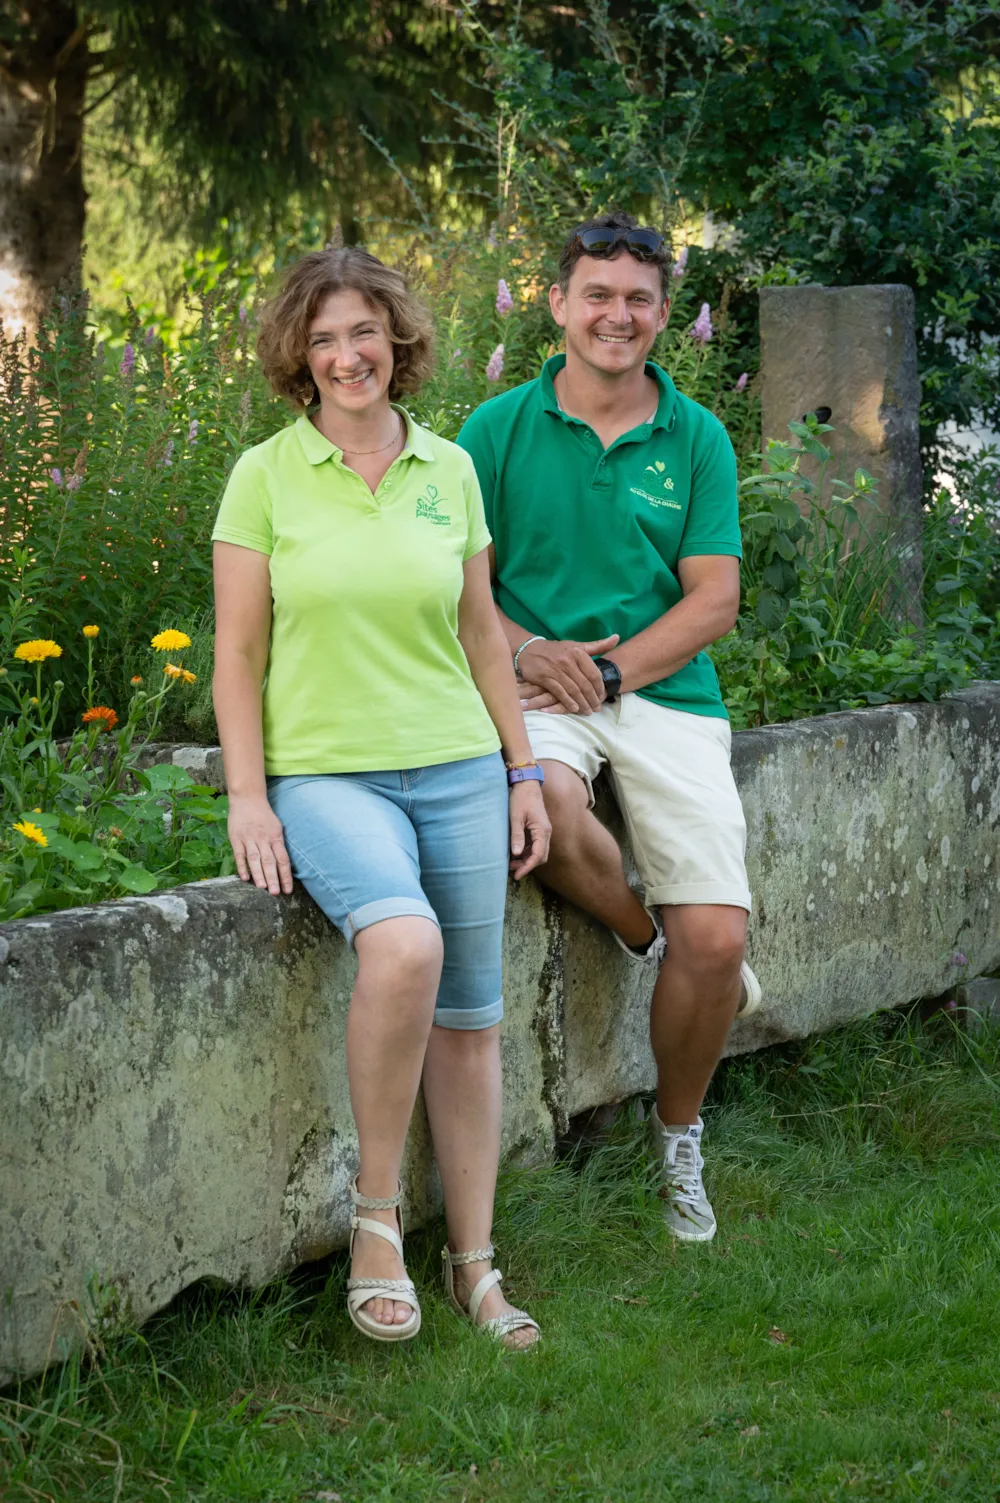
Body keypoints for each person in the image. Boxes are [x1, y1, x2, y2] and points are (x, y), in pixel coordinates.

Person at [212, 246, 550, 1347]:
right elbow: (237, 653)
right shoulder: (265, 474)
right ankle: (373, 1222)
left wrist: (522, 769)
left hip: (456, 764)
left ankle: (475, 1266)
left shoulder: (448, 468)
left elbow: (481, 635)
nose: (347, 355)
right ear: (296, 360)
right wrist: (250, 800)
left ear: (395, 341)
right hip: (327, 773)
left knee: (471, 1021)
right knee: (404, 949)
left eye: (363, 333)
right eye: (322, 339)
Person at [458, 211, 761, 1243]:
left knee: (718, 940)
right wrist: (523, 648)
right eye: (596, 295)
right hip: (539, 692)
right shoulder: (493, 430)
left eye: (637, 298)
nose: (615, 316)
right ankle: (643, 936)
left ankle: (678, 1140)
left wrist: (609, 666)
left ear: (665, 314)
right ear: (557, 305)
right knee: (535, 806)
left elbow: (711, 600)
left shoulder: (697, 435)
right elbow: (456, 588)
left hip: (663, 691)